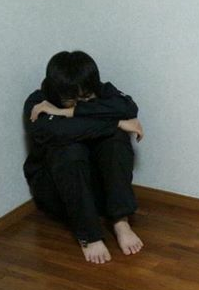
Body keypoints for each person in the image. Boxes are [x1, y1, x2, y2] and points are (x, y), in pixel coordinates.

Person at [22, 50, 145, 264]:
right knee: (69, 148)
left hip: (100, 189)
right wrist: (115, 122)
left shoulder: (99, 89)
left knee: (115, 140)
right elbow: (58, 132)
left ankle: (120, 220)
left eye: (87, 98)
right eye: (71, 100)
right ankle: (89, 235)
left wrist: (67, 112)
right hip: (59, 192)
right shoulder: (38, 102)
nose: (80, 103)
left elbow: (127, 107)